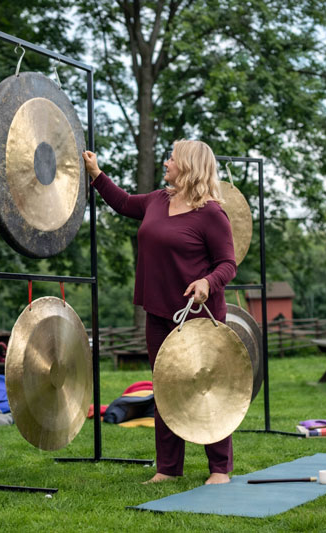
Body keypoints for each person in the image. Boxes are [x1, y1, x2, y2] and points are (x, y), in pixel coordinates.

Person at [82, 140, 237, 485]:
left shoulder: (212, 214)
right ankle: (168, 468)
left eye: (172, 158)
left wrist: (208, 282)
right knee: (165, 387)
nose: (166, 163)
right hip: (158, 312)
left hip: (198, 316)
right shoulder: (157, 200)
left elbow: (228, 264)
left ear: (189, 166)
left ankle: (219, 469)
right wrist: (96, 174)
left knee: (207, 387)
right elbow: (123, 203)